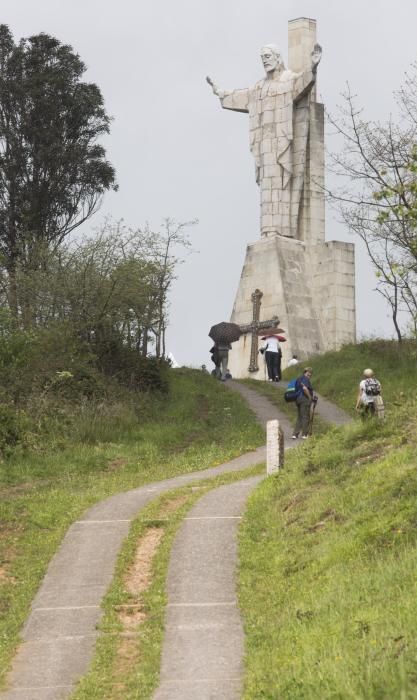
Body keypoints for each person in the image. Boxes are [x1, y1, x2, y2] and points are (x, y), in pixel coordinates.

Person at [207, 42, 322, 238]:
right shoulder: (259, 87)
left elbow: (302, 84)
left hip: (284, 143)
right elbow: (241, 97)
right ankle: (268, 230)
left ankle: (283, 230)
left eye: (268, 56)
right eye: (262, 58)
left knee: (283, 184)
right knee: (267, 188)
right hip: (265, 145)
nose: (265, 60)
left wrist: (312, 67)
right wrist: (221, 92)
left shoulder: (288, 80)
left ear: (278, 58)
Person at [292, 367, 314, 439]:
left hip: (297, 399)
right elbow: (305, 388)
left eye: (311, 373)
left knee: (300, 417)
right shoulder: (305, 379)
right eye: (309, 373)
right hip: (304, 399)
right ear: (306, 372)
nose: (310, 375)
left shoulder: (298, 379)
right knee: (305, 417)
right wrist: (310, 397)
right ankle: (304, 434)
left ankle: (295, 434)